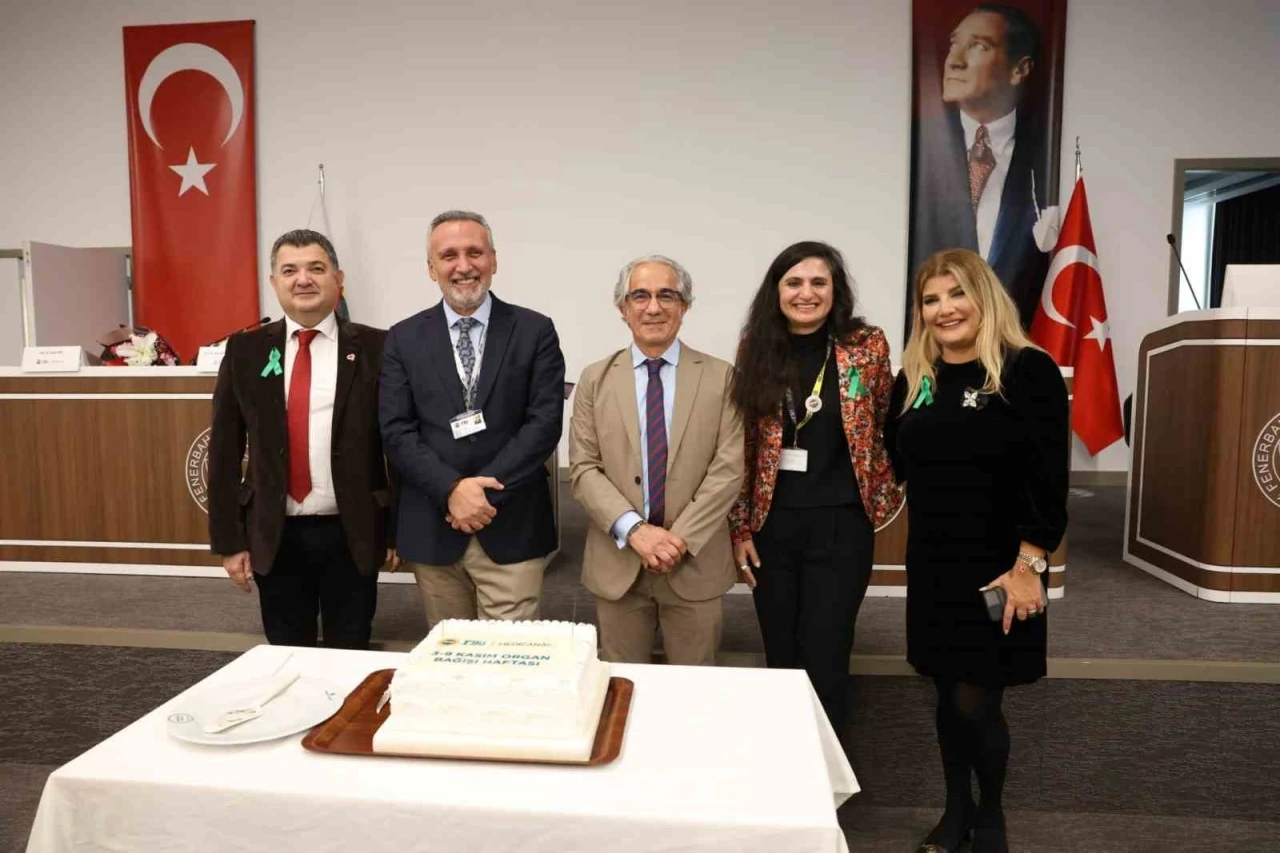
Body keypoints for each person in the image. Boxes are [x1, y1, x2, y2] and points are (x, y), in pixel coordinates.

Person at [885, 248, 1068, 853]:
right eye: (931, 299)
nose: (945, 309)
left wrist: (1029, 566)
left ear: (984, 297)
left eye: (957, 293)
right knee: (945, 692)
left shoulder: (1027, 371)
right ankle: (955, 810)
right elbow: (894, 458)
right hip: (933, 565)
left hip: (1001, 568)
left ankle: (990, 817)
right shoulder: (915, 379)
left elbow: (1049, 479)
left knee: (977, 701)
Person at [727, 241, 903, 727]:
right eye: (794, 282)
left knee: (827, 654)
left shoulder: (866, 345)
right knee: (781, 654)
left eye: (818, 282)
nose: (806, 293)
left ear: (835, 290)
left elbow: (885, 419)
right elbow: (743, 442)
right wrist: (740, 527)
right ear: (776, 291)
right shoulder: (756, 345)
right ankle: (787, 760)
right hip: (771, 526)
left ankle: (829, 767)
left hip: (842, 525)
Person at [208, 229, 395, 649]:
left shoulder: (377, 346)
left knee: (350, 652)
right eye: (289, 270)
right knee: (287, 654)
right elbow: (223, 452)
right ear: (274, 282)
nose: (303, 279)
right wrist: (229, 541)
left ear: (338, 279)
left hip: (353, 532)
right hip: (275, 535)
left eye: (316, 268)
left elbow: (396, 445)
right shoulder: (244, 351)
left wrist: (396, 532)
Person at [380, 210, 564, 625]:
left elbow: (544, 423)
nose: (463, 266)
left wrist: (480, 496)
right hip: (434, 526)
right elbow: (396, 431)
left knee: (511, 656)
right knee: (449, 654)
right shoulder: (403, 338)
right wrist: (451, 490)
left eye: (474, 253)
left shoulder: (535, 330)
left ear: (493, 260)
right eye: (449, 256)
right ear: (431, 268)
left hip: (512, 522)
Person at [569, 255, 743, 665]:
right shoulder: (595, 379)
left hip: (694, 561)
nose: (653, 307)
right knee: (622, 685)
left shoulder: (721, 377)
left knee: (695, 685)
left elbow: (729, 469)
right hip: (619, 562)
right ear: (623, 308)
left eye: (667, 295)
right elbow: (584, 469)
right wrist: (636, 532)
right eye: (640, 296)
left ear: (685, 306)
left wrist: (677, 540)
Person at [909, 3, 1049, 328]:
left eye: (978, 46)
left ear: (1020, 69)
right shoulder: (916, 148)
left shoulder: (1047, 154)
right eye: (954, 44)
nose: (954, 61)